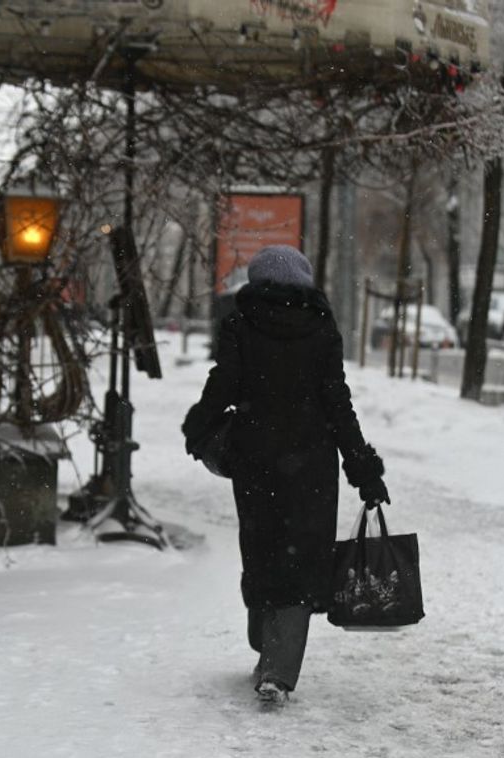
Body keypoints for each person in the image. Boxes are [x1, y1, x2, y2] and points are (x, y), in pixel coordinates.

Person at [182, 245, 389, 706]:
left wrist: (198, 428)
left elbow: (224, 384)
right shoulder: (320, 328)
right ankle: (278, 666)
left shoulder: (241, 323)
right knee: (299, 561)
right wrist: (361, 465)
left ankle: (265, 644)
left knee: (262, 549)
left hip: (255, 459)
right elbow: (338, 402)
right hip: (311, 463)